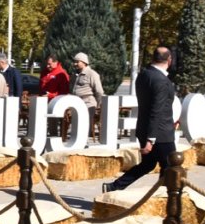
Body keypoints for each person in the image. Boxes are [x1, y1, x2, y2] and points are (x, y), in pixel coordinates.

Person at [104, 46, 177, 193]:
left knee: (148, 164)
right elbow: (157, 110)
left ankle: (114, 186)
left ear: (153, 58)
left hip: (145, 128)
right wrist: (151, 139)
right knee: (172, 167)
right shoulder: (160, 80)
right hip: (160, 134)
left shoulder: (144, 75)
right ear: (169, 60)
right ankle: (166, 198)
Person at [71, 52, 105, 141]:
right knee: (77, 125)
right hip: (77, 103)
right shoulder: (76, 74)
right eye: (74, 62)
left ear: (84, 62)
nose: (75, 64)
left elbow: (99, 91)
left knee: (85, 125)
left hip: (88, 103)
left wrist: (98, 104)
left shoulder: (92, 74)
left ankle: (84, 142)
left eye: (77, 62)